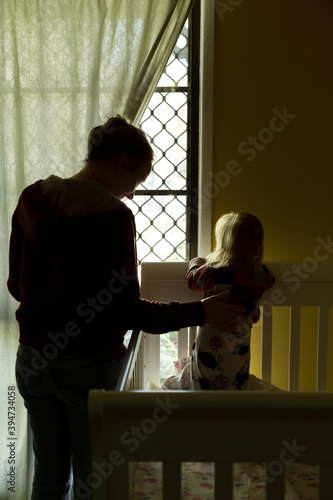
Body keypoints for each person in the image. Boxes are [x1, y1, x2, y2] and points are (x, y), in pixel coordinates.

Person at [7, 116, 249, 500]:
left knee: (50, 473)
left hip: (33, 360)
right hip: (87, 369)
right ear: (121, 165)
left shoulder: (31, 200)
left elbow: (15, 288)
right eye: (136, 181)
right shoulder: (112, 218)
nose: (133, 194)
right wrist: (201, 312)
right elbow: (127, 311)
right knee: (93, 478)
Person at [162, 212, 275, 391]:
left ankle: (198, 397)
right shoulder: (261, 275)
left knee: (205, 375)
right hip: (239, 340)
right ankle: (230, 406)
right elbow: (271, 281)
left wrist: (196, 261)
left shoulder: (211, 272)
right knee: (235, 375)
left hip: (211, 338)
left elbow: (192, 279)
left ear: (224, 244)